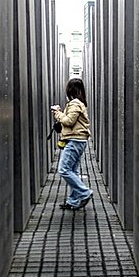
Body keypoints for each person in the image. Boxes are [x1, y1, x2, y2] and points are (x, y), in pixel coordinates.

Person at [51, 78, 94, 211]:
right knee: (72, 170)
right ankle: (73, 201)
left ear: (70, 89)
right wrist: (60, 112)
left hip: (75, 140)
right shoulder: (78, 103)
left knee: (64, 169)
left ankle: (84, 192)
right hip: (78, 140)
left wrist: (58, 114)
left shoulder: (75, 103)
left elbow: (69, 121)